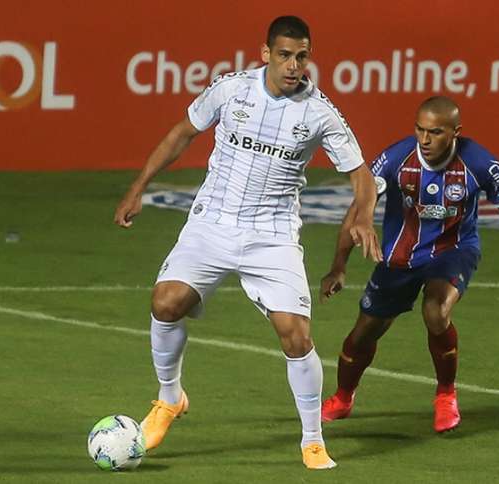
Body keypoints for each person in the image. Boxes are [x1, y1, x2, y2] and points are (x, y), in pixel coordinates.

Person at [113, 16, 381, 469]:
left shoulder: (320, 113)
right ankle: (169, 399)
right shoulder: (231, 89)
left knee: (296, 336)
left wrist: (366, 216)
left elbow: (361, 175)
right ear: (266, 54)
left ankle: (312, 440)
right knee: (165, 303)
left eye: (302, 56)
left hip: (272, 234)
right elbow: (182, 132)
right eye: (284, 55)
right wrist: (139, 186)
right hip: (212, 223)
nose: (294, 65)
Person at [319, 96, 499, 433]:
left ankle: (445, 396)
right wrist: (339, 266)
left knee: (436, 310)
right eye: (420, 130)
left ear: (456, 132)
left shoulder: (482, 164)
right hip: (400, 257)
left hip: (454, 250)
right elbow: (358, 211)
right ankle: (343, 396)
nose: (425, 140)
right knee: (363, 333)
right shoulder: (396, 158)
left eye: (435, 132)